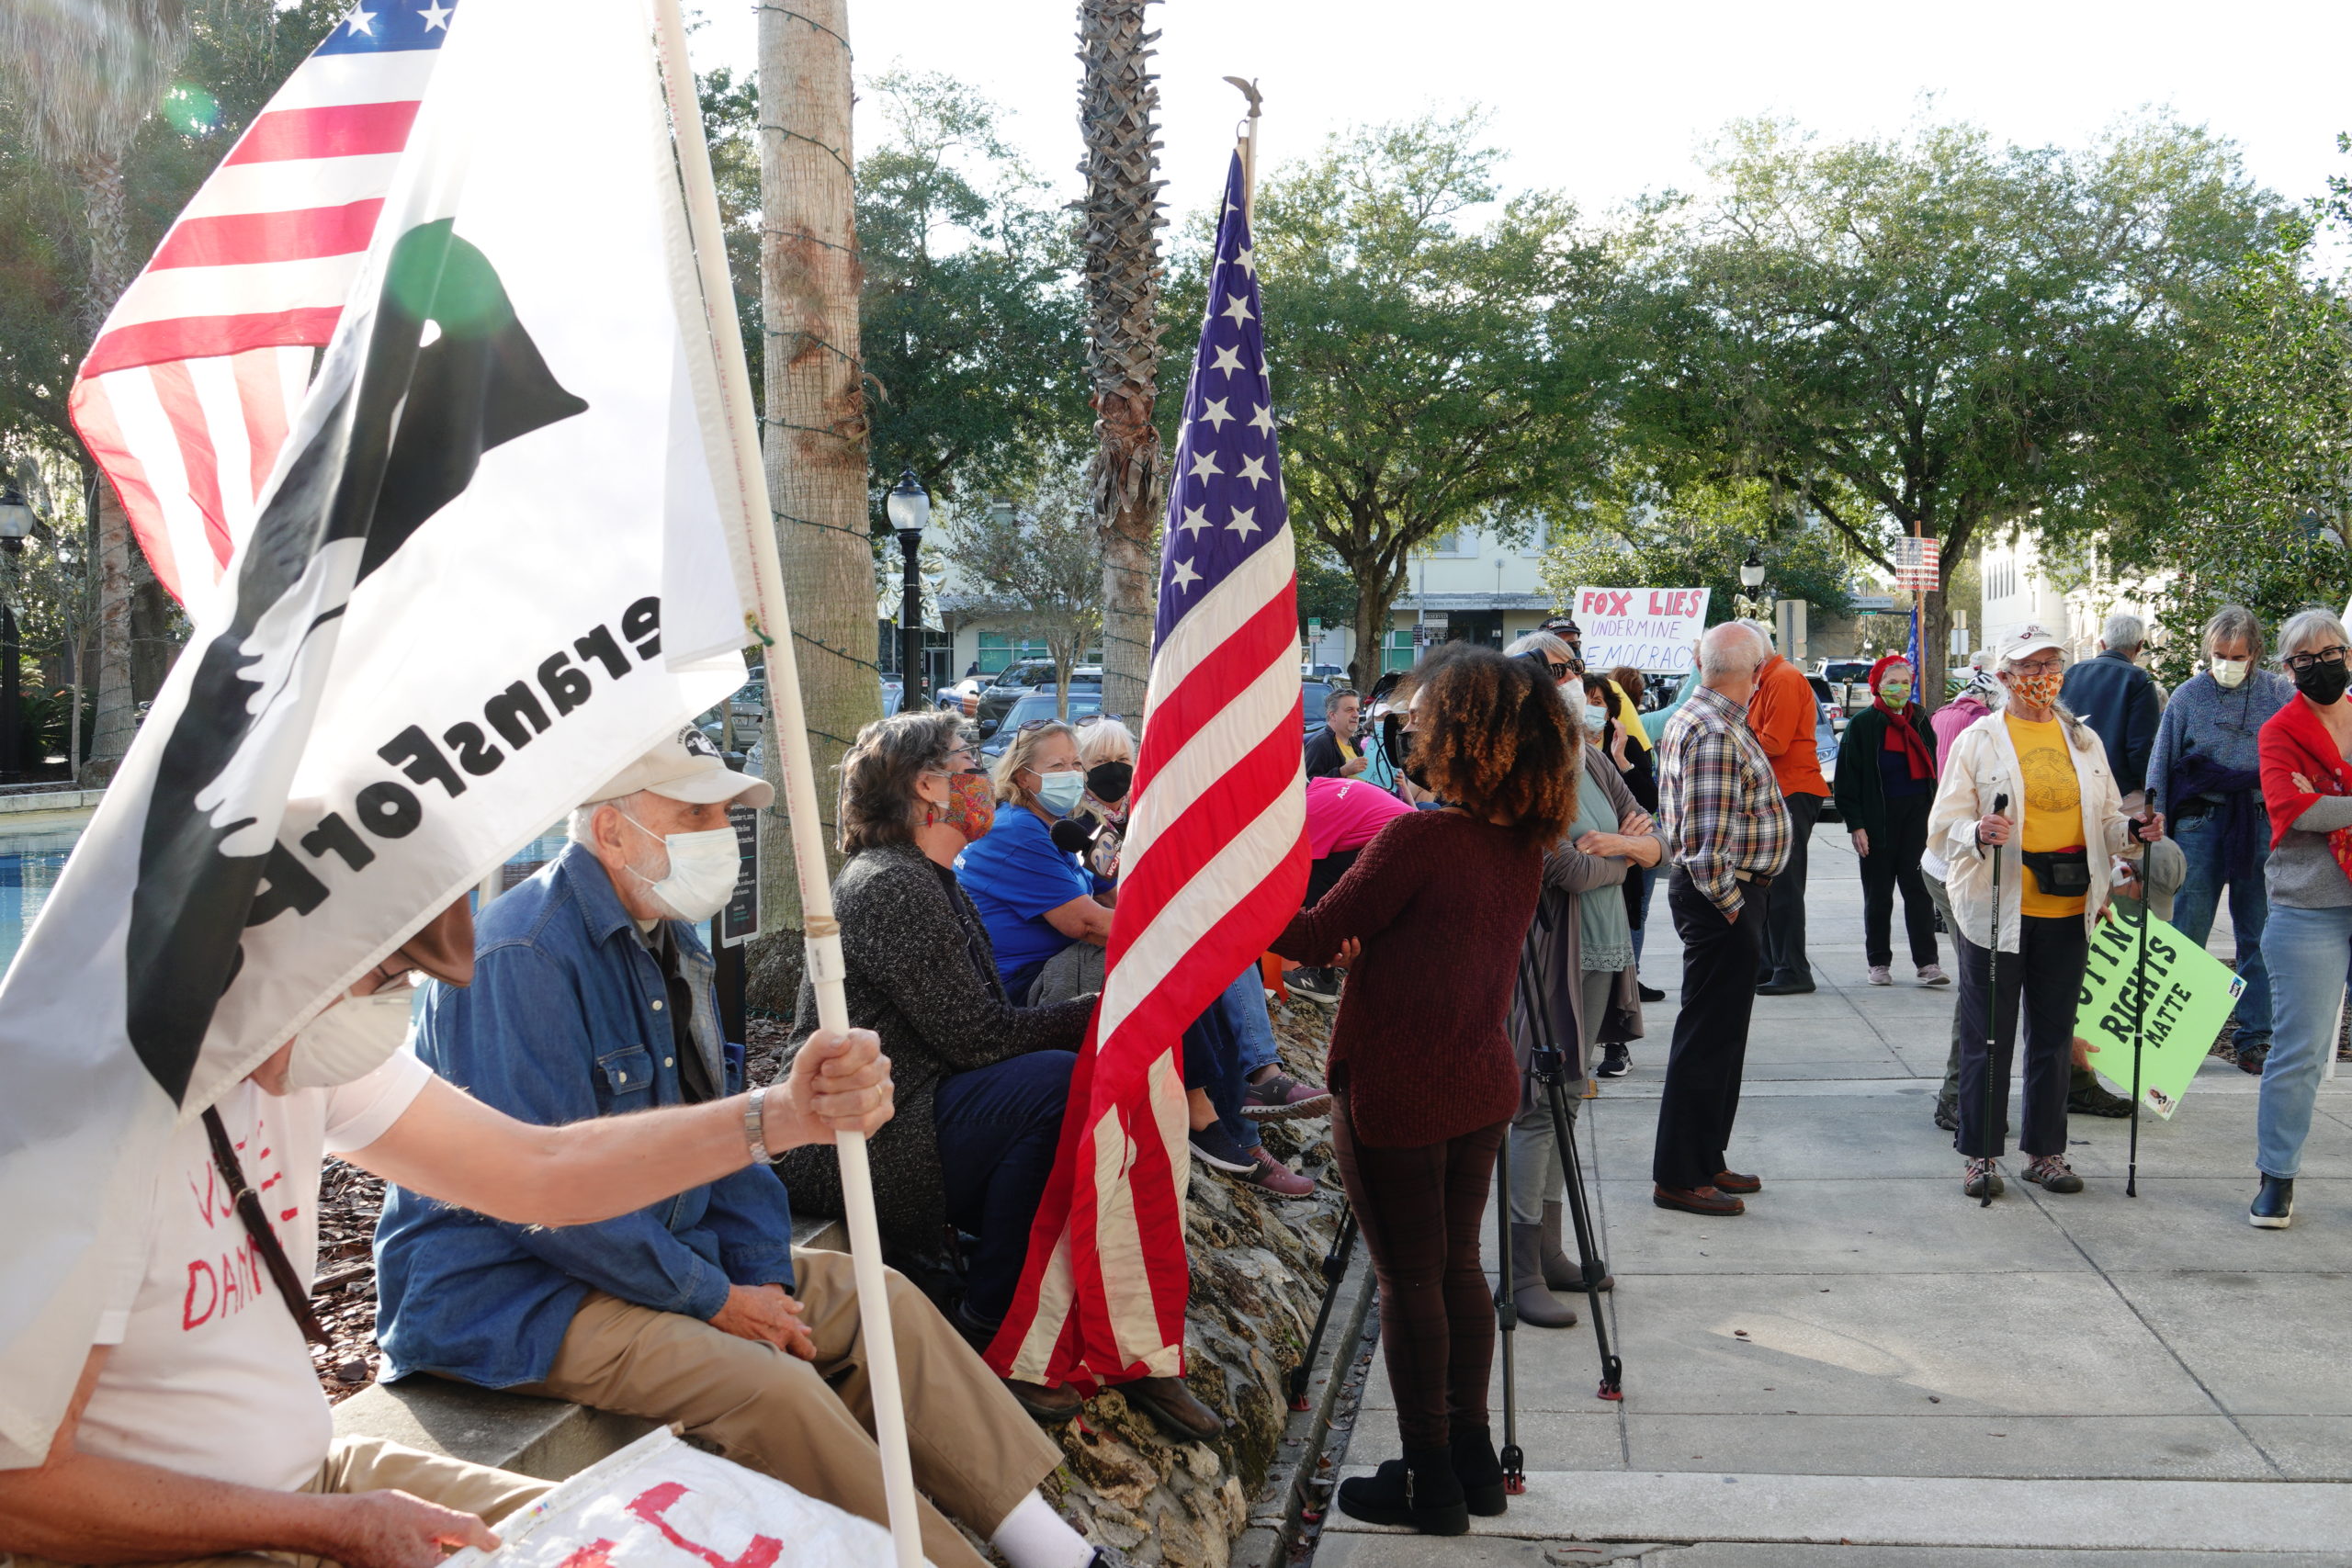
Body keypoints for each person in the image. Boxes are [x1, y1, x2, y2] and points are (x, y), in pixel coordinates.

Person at [0, 869, 972, 1561]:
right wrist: (324, 1529)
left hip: (313, 1483)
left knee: (704, 1536)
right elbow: (22, 1497)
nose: (393, 1008)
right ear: (266, 956)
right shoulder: (82, 1139)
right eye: (381, 981)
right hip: (215, 1534)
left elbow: (537, 1172)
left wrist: (777, 1118)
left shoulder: (291, 1043)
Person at [373, 734, 1108, 1568]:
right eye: (695, 813)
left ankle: (1051, 1548)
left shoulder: (671, 937)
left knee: (882, 1298)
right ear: (610, 832)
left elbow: (724, 1134)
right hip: (517, 1292)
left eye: (722, 812)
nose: (720, 830)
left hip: (651, 1246)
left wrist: (757, 1268)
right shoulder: (522, 953)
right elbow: (545, 1200)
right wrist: (716, 1296)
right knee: (769, 1387)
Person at [1271, 645, 1577, 1536]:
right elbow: (1412, 939)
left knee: (1411, 1282)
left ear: (1464, 735)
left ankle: (1427, 1478)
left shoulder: (1418, 837)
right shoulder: (1519, 841)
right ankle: (1468, 1461)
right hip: (1476, 1080)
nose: (1411, 724)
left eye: (1427, 713)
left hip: (1397, 1088)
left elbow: (1318, 935)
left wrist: (1214, 888)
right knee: (1453, 1272)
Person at [762, 712, 1089, 1422]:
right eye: (970, 761)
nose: (986, 780)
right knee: (1057, 1085)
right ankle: (986, 1330)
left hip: (908, 1106)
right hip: (859, 1141)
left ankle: (1002, 1302)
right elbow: (980, 1037)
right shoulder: (891, 884)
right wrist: (1096, 1010)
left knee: (1056, 1085)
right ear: (927, 786)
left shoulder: (929, 879)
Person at [958, 722, 1317, 1201]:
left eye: (1075, 764)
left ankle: (1250, 1097)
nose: (1074, 773)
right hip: (1027, 988)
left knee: (1205, 953)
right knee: (1165, 956)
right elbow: (1087, 924)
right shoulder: (1018, 831)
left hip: (1065, 965)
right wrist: (1179, 930)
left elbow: (1119, 894)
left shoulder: (1069, 826)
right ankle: (1217, 1115)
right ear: (1023, 778)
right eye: (1057, 766)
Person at [1929, 626, 2154, 1201]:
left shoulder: (2084, 740)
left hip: (2067, 907)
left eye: (2053, 664)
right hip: (1996, 908)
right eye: (2029, 666)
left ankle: (2045, 1154)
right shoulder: (1978, 740)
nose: (2042, 676)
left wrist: (2130, 831)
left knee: (2054, 1036)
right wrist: (1976, 831)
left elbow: (2105, 820)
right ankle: (1979, 1156)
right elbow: (1941, 828)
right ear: (2004, 676)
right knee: (1990, 1038)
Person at [1505, 707, 1661, 1326]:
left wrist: (1624, 846)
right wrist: (1629, 859)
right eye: (1563, 667)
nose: (1578, 682)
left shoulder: (1593, 759)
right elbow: (1561, 868)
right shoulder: (1532, 768)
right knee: (1540, 1107)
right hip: (1556, 958)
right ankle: (1521, 1271)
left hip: (1604, 953)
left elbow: (1662, 843)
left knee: (1567, 1100)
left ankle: (1550, 1252)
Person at [1651, 622, 1791, 1217]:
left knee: (1720, 1039)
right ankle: (1682, 1173)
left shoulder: (1708, 718)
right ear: (1754, 673)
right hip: (1722, 898)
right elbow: (1707, 848)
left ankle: (1704, 1156)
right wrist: (1735, 912)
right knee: (1708, 1040)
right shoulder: (1712, 728)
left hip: (1725, 897)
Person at [2148, 605, 2291, 1076]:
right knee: (2187, 932)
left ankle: (2256, 1039)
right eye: (2219, 653)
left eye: (2237, 654)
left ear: (2255, 654)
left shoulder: (2279, 693)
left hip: (2259, 818)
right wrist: (2156, 820)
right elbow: (2162, 759)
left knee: (2260, 932)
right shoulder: (2189, 695)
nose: (2227, 661)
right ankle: (2176, 1037)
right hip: (2201, 819)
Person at [2247, 608, 2352, 1229]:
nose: (2322, 665)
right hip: (2307, 905)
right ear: (2287, 670)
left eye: (2332, 651)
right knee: (2301, 1051)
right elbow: (2293, 808)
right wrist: (2317, 803)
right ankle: (2276, 1177)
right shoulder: (2279, 729)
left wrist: (2328, 801)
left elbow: (2318, 804)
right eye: (2305, 659)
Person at [1834, 655, 1949, 987]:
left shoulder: (1920, 720)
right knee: (1879, 896)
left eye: (1905, 682)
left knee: (1919, 893)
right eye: (1892, 682)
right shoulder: (1864, 725)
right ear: (1878, 686)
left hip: (1917, 820)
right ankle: (1878, 963)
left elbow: (1932, 772)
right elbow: (1847, 780)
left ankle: (1928, 963)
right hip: (1877, 823)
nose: (1900, 688)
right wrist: (1856, 825)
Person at [1744, 622, 1831, 995]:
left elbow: (1774, 743)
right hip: (1781, 791)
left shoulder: (1782, 677)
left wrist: (1731, 743)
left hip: (1792, 790)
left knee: (1784, 886)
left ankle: (1792, 968)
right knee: (1770, 883)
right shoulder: (1769, 678)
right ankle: (1772, 964)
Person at [1287, 773, 1415, 1003]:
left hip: (1407, 861)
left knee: (1320, 872)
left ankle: (1320, 975)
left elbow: (1293, 877)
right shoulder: (1326, 784)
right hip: (1415, 849)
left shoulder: (1310, 813)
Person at [1608, 666, 1668, 1007]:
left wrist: (1621, 759)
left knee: (1635, 912)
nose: (1592, 708)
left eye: (1600, 701)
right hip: (1598, 850)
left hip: (1635, 844)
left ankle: (1631, 978)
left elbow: (1650, 797)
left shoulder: (1629, 744)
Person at [2060, 612, 2164, 804]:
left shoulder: (2073, 672)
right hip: (2119, 788)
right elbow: (2140, 746)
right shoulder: (2139, 680)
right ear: (2140, 646)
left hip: (2074, 780)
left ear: (2103, 644)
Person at [1933, 655, 2002, 771]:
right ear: (1989, 696)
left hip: (1937, 778)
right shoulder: (1980, 713)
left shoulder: (1939, 713)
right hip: (1959, 777)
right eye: (1993, 698)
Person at [1305, 686, 1368, 779]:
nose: (1356, 715)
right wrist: (1342, 772)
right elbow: (1310, 785)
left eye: (1357, 710)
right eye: (1349, 710)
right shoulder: (1321, 744)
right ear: (1333, 715)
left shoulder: (1353, 743)